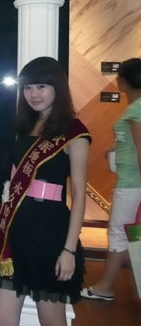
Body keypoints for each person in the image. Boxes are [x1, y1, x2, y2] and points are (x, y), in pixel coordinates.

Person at [0, 57, 91, 326]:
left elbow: (79, 196)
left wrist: (69, 250)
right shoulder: (24, 127)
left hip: (50, 233)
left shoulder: (74, 133)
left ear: (58, 87)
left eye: (41, 86)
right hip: (17, 227)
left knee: (51, 319)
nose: (33, 94)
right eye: (28, 87)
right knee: (2, 318)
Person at [81, 57, 141, 301]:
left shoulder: (136, 109)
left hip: (132, 183)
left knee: (119, 233)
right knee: (131, 234)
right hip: (132, 181)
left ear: (122, 82)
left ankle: (105, 286)